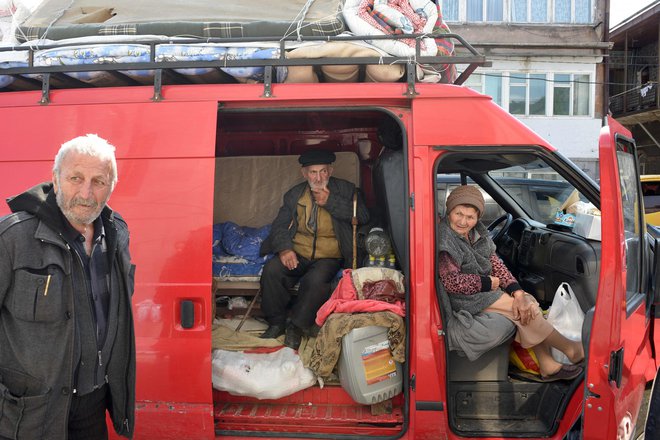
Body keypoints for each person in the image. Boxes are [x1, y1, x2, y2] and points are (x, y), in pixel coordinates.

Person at [0, 134, 136, 439]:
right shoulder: (11, 239)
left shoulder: (116, 237)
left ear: (112, 186)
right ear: (56, 179)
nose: (86, 193)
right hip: (28, 414)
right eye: (75, 178)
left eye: (98, 181)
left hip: (91, 406)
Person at [438, 185, 584, 381]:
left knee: (526, 302)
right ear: (450, 211)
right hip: (464, 298)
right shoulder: (445, 238)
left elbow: (495, 263)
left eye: (470, 217)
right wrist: (488, 283)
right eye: (458, 214)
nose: (463, 221)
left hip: (483, 293)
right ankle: (571, 349)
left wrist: (517, 291)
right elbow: (451, 282)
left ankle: (548, 364)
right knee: (523, 309)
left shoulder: (476, 232)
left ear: (478, 217)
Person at [259, 149, 369, 349]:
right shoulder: (294, 194)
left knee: (316, 281)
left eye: (323, 172)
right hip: (298, 251)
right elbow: (280, 225)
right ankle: (276, 323)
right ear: (304, 173)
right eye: (313, 172)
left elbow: (363, 216)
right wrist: (285, 249)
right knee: (272, 270)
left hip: (328, 255)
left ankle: (297, 326)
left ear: (330, 170)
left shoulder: (347, 190)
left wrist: (331, 203)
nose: (318, 177)